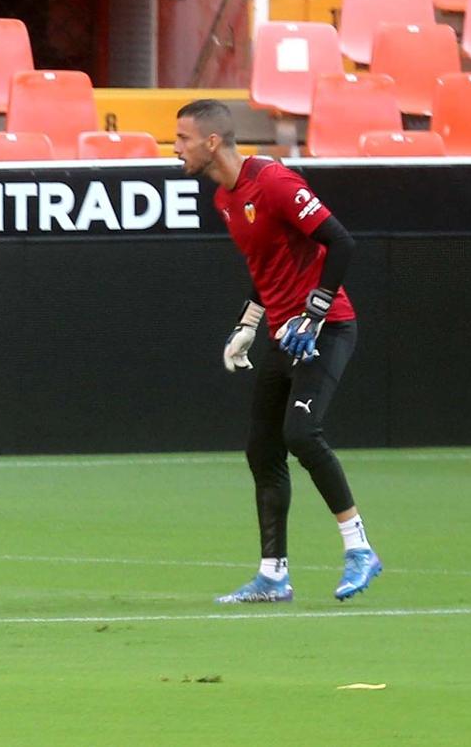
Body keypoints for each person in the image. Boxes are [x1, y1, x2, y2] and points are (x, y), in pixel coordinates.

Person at [174, 100, 383, 604]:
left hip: (327, 329)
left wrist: (314, 311)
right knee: (262, 448)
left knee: (301, 432)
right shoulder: (226, 199)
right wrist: (248, 324)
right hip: (284, 335)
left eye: (181, 138)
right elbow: (263, 265)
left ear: (212, 142)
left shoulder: (274, 183)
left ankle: (359, 549)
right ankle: (273, 575)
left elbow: (342, 243)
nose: (174, 148)